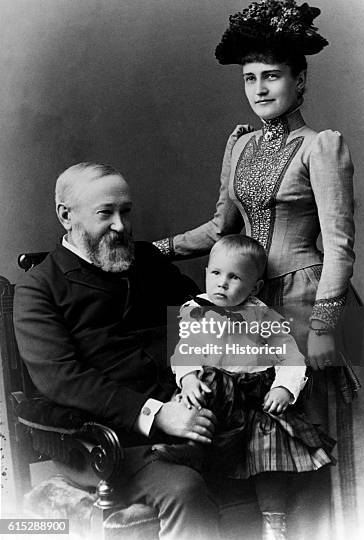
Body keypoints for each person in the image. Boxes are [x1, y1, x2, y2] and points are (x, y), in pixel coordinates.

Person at [153, 0, 364, 539]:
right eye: (249, 79)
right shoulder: (239, 146)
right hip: (252, 306)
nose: (260, 89)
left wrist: (326, 327)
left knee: (319, 436)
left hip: (312, 300)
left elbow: (340, 248)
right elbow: (220, 231)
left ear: (301, 79)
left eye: (273, 76)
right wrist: (158, 249)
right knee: (267, 444)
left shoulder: (322, 146)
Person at [13, 162, 221, 540]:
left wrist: (195, 377)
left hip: (192, 418)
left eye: (125, 211)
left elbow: (200, 317)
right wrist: (158, 415)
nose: (120, 226)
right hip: (106, 445)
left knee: (278, 459)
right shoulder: (39, 289)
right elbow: (64, 381)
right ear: (66, 216)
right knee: (184, 490)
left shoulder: (148, 262)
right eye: (105, 214)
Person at [158, 234, 335, 540]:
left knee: (269, 452)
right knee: (201, 390)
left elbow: (291, 356)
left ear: (255, 288)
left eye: (234, 277)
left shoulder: (263, 316)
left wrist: (284, 388)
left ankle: (274, 522)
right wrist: (187, 378)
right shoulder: (193, 309)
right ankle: (189, 451)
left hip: (255, 398)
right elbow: (183, 350)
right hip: (217, 395)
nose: (221, 284)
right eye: (215, 273)